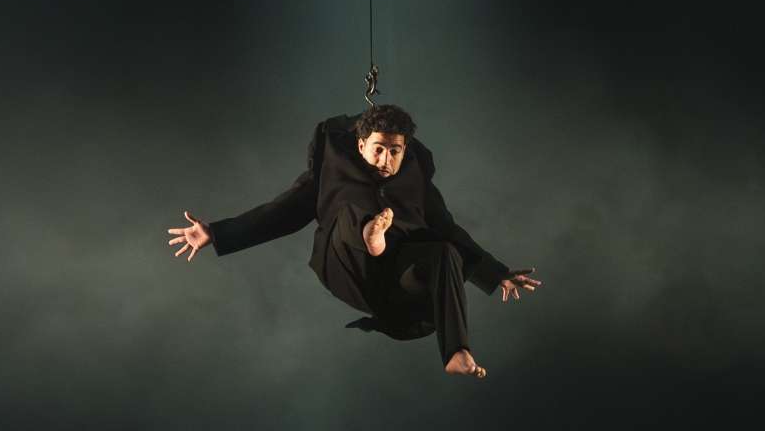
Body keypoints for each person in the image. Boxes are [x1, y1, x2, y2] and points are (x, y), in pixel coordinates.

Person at [167, 103, 541, 378]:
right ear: (361, 145)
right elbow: (281, 212)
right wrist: (215, 233)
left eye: (395, 151)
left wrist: (497, 274)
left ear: (405, 150)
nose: (385, 158)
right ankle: (369, 233)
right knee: (352, 208)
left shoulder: (415, 181)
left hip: (397, 281)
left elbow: (450, 231)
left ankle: (457, 351)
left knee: (444, 250)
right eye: (378, 148)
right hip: (346, 264)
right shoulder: (333, 172)